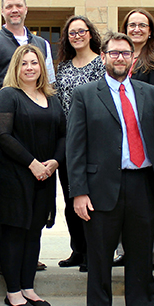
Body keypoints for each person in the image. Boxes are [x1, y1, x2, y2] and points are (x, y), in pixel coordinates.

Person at [67, 32, 154, 306]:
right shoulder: (85, 94)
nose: (119, 58)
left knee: (140, 258)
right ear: (104, 57)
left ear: (133, 58)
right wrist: (78, 192)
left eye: (125, 53)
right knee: (99, 258)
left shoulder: (149, 93)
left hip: (143, 184)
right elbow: (75, 147)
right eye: (113, 53)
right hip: (100, 189)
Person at [0, 44, 65, 306]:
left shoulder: (52, 99)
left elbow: (64, 135)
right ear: (16, 68)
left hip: (44, 176)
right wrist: (32, 163)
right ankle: (13, 290)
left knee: (34, 233)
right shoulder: (8, 96)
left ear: (42, 67)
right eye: (24, 63)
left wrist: (55, 161)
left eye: (34, 63)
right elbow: (1, 135)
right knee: (14, 233)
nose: (30, 67)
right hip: (14, 176)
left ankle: (28, 287)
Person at [54, 15, 105, 272]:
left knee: (91, 199)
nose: (77, 36)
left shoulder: (101, 64)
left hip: (95, 140)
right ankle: (77, 249)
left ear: (90, 33)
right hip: (68, 140)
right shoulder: (62, 67)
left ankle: (91, 252)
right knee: (71, 194)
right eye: (72, 33)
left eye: (81, 31)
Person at [120, 8, 154, 267]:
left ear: (151, 30)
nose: (136, 29)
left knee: (149, 197)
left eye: (142, 25)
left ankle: (149, 254)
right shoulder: (120, 55)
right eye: (132, 24)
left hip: (145, 130)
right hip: (120, 132)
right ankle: (123, 252)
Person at [0, 0, 55, 111]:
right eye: (9, 7)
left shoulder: (43, 44)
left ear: (26, 9)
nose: (14, 10)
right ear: (2, 11)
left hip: (38, 114)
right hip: (6, 114)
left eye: (19, 6)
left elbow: (48, 83)